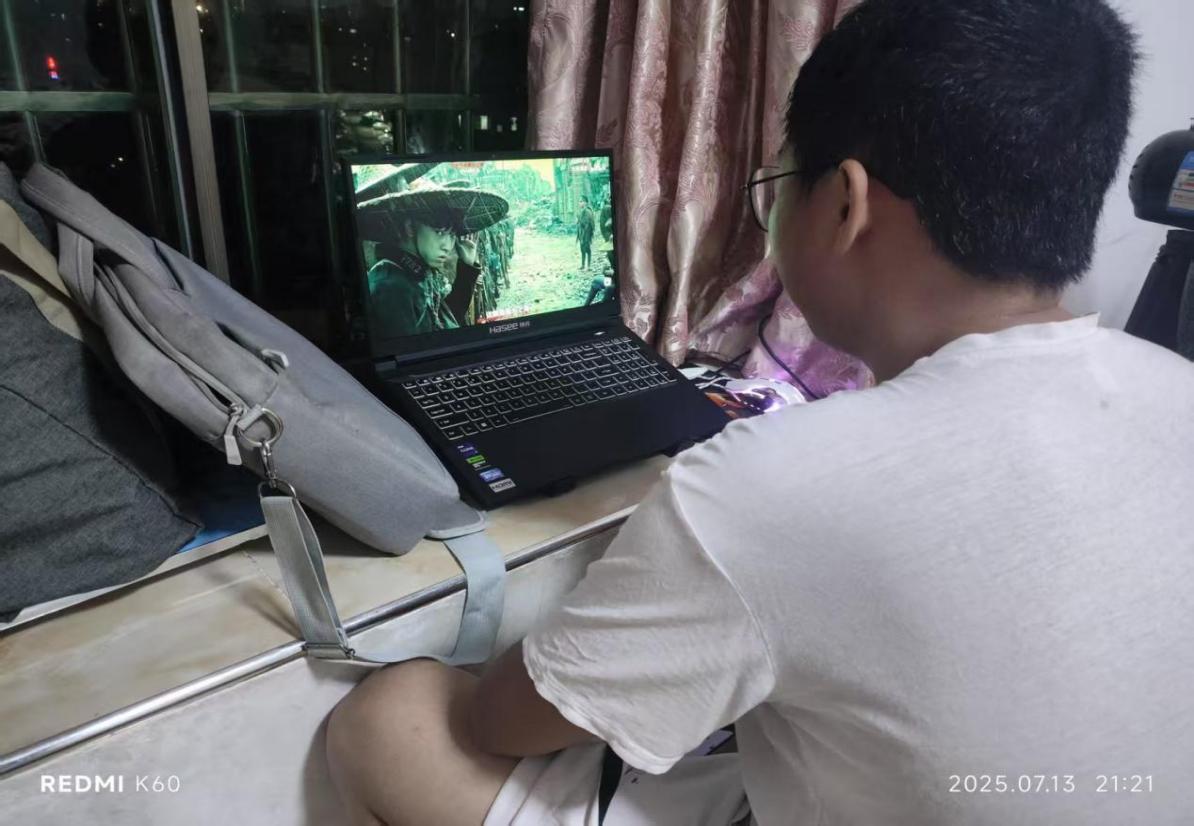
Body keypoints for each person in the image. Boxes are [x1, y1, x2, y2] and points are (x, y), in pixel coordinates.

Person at [325, 1, 1194, 824]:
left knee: (396, 719)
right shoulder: (1175, 386)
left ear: (845, 203)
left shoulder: (772, 487)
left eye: (779, 184)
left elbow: (501, 723)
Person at [358, 181, 508, 339]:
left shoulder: (415, 273)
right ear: (410, 228)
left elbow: (445, 322)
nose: (447, 246)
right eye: (439, 232)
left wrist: (467, 267)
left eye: (452, 235)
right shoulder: (389, 288)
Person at [576, 195, 595, 270]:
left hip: (587, 233)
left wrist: (579, 219)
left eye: (581, 201)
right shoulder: (581, 211)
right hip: (581, 233)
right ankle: (583, 265)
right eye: (579, 202)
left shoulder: (587, 211)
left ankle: (589, 266)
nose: (580, 203)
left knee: (587, 248)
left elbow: (586, 224)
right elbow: (580, 223)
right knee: (582, 249)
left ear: (586, 202)